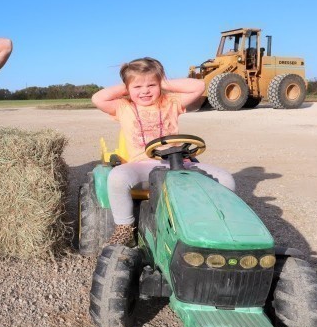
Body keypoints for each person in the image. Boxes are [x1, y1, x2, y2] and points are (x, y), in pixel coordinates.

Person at [91, 57, 236, 246]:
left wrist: (161, 81)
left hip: (178, 164)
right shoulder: (123, 107)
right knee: (117, 177)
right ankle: (124, 228)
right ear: (127, 89)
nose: (145, 91)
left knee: (226, 179)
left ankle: (213, 222)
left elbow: (199, 86)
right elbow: (97, 98)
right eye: (137, 87)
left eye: (151, 85)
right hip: (142, 166)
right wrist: (129, 83)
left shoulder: (171, 102)